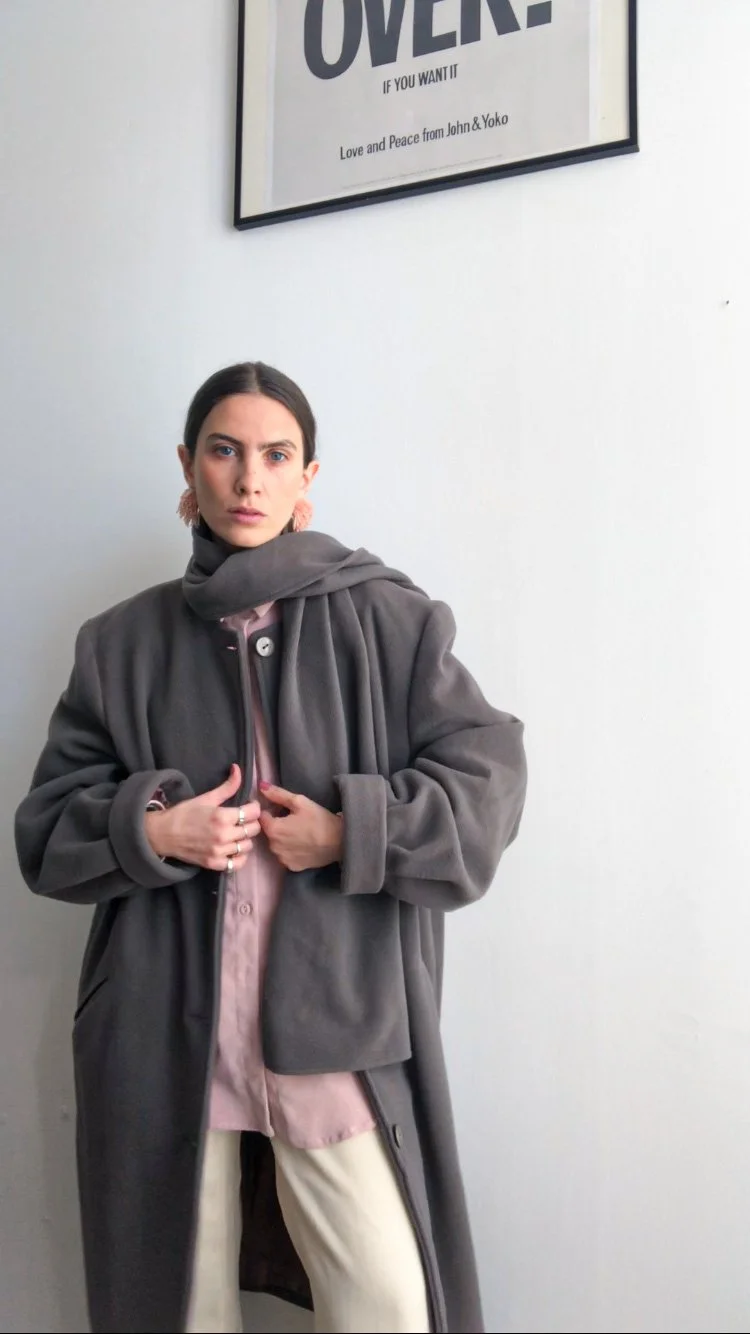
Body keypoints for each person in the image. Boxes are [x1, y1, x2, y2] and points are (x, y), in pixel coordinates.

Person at [14, 361, 527, 1334]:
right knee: (178, 1310)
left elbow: (488, 781)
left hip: (335, 1028)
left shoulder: (390, 621)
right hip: (163, 1037)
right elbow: (44, 831)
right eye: (225, 451)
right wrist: (152, 828)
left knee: (388, 1306)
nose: (249, 478)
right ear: (188, 466)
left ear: (307, 476)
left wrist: (352, 829)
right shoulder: (118, 644)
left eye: (275, 455)